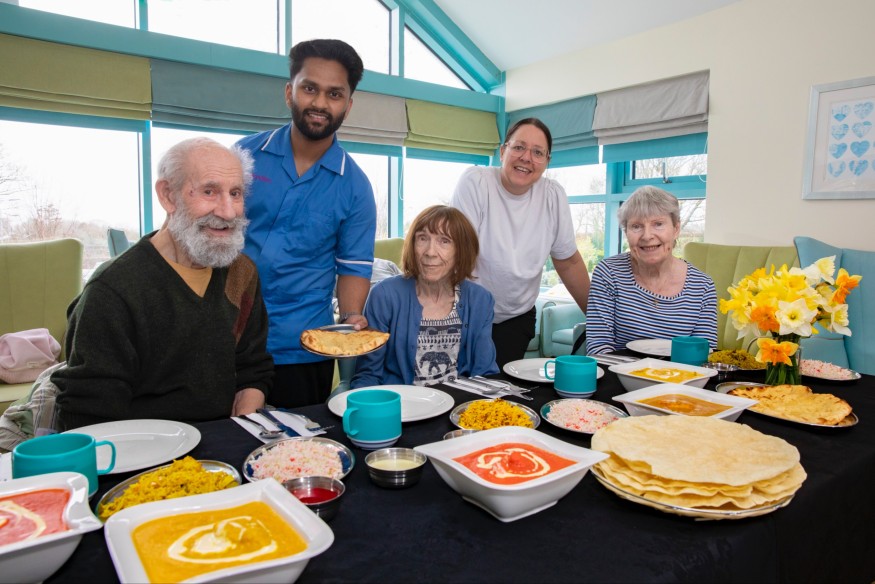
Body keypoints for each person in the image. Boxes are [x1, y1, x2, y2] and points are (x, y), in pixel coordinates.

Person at [52, 137, 274, 430]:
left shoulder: (242, 274)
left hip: (222, 444)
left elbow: (252, 368)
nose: (228, 211)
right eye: (209, 191)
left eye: (235, 193)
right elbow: (88, 416)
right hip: (140, 457)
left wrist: (240, 426)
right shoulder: (113, 290)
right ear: (168, 195)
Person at [237, 39, 376, 408]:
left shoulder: (356, 187)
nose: (320, 103)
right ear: (289, 92)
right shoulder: (243, 157)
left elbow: (352, 269)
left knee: (297, 453)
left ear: (348, 104)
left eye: (334, 94)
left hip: (304, 347)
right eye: (309, 88)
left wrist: (350, 320)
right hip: (227, 337)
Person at [450, 117, 591, 367]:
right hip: (465, 314)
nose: (527, 157)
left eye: (538, 152)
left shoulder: (552, 195)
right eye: (519, 147)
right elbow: (459, 254)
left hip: (516, 318)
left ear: (547, 162)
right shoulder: (476, 182)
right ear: (503, 151)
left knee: (497, 395)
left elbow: (568, 261)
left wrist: (599, 317)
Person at [351, 206, 498, 388]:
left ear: (461, 251)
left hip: (459, 407)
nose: (430, 252)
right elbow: (368, 374)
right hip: (401, 407)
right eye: (422, 238)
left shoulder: (480, 300)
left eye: (444, 241)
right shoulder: (384, 295)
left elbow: (484, 373)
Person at [585, 185, 717, 355]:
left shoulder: (703, 286)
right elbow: (598, 347)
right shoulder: (608, 273)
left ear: (676, 229)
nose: (647, 236)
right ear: (626, 232)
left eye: (658, 224)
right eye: (636, 226)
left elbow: (703, 354)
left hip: (679, 379)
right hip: (618, 376)